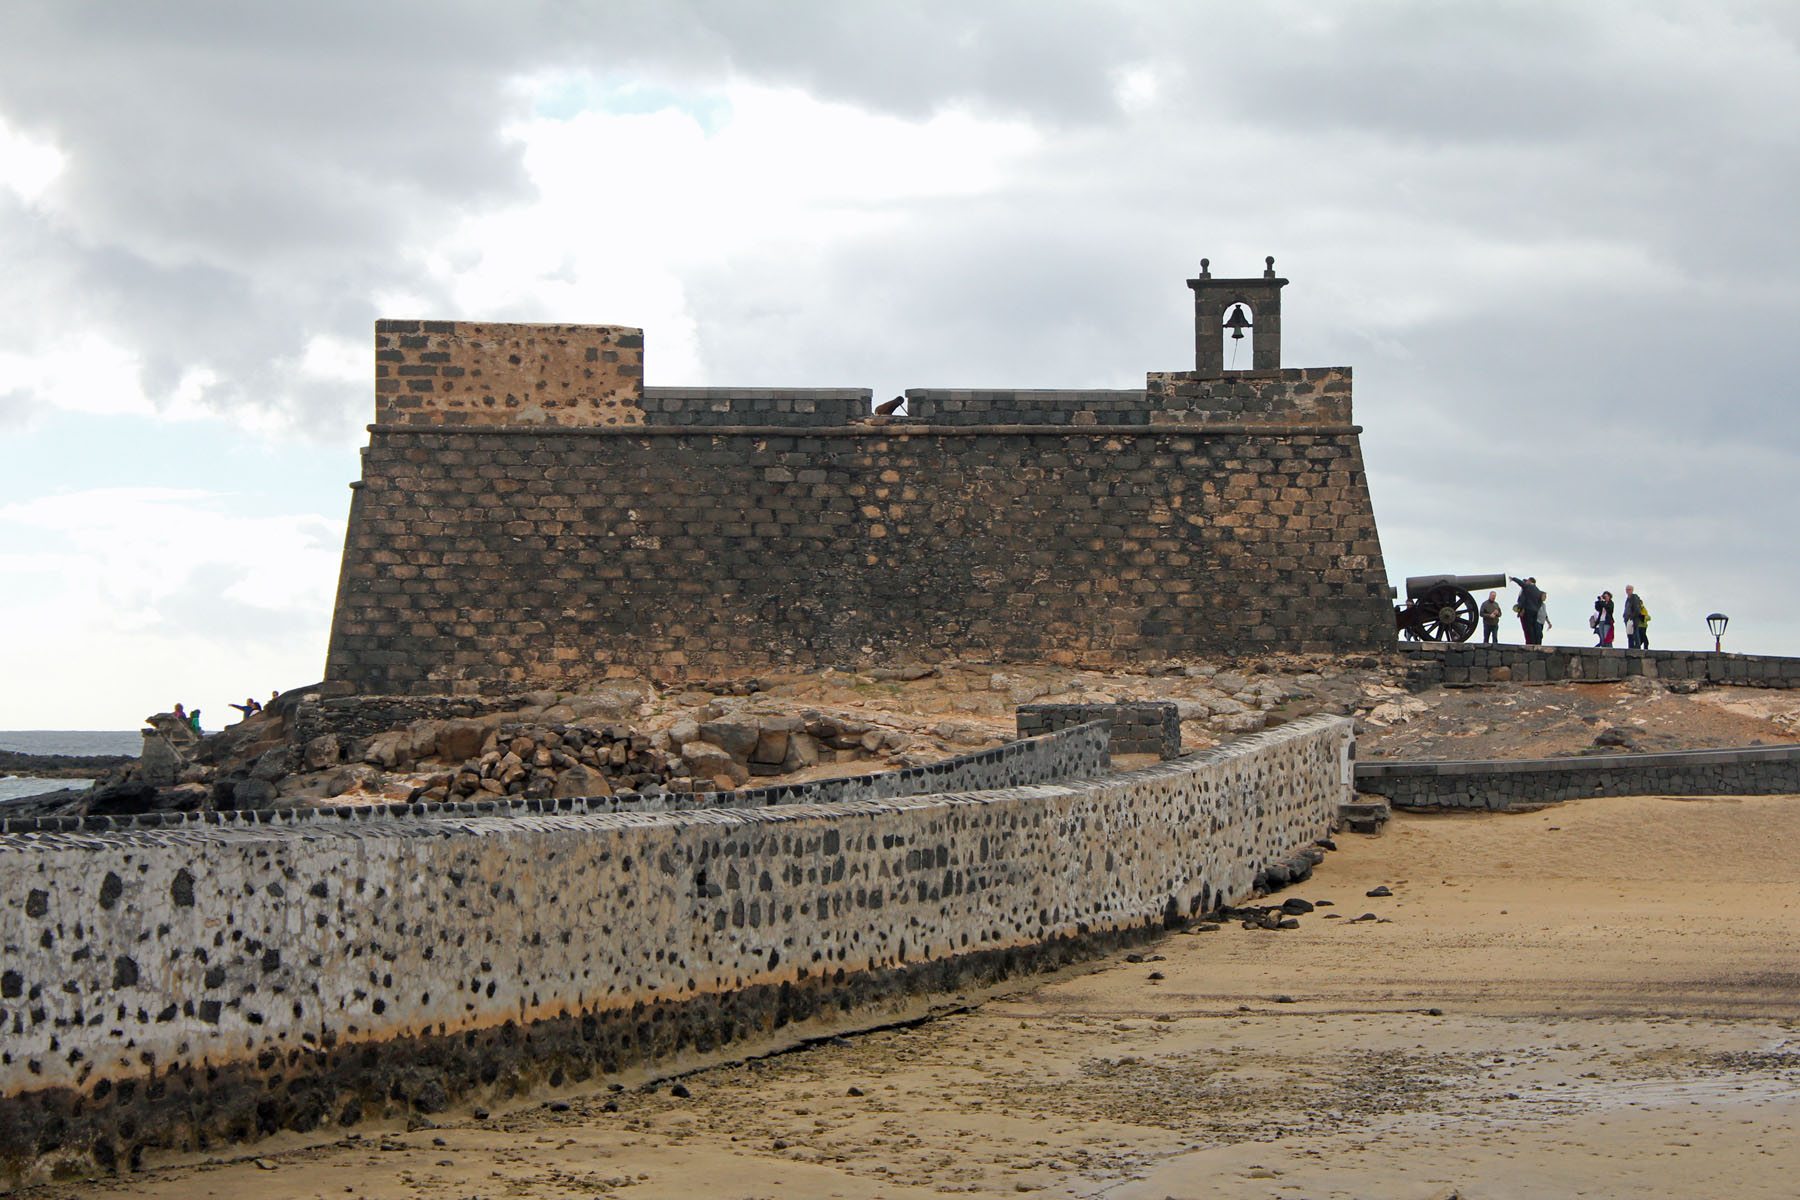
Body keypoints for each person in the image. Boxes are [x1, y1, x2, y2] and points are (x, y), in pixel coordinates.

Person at [1510, 575, 1547, 645]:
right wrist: (1536, 608)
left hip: (1528, 610)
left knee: (1529, 627)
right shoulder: (1538, 591)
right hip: (1535, 611)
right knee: (1533, 627)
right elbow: (1540, 602)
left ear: (1530, 581)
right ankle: (1534, 642)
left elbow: (1521, 583)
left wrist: (1513, 579)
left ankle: (1531, 642)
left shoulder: (1528, 587)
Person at [1623, 585, 1650, 649]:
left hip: (1633, 619)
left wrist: (1632, 617)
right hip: (1628, 619)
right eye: (1626, 589)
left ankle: (1636, 648)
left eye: (1629, 589)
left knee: (1635, 634)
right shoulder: (1628, 599)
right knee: (1630, 634)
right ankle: (1631, 647)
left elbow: (1637, 609)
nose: (1627, 591)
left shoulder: (1634, 597)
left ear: (1632, 590)